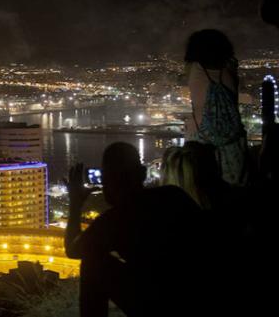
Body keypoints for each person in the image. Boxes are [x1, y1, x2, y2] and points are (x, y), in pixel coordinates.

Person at [65, 142, 210, 317]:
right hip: (200, 296)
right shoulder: (174, 195)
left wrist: (75, 204)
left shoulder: (115, 219)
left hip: (160, 304)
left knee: (92, 262)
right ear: (142, 174)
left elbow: (73, 250)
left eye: (106, 177)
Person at [184, 29, 248, 186]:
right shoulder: (230, 69)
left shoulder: (193, 70)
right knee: (234, 188)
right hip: (232, 136)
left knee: (200, 188)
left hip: (199, 136)